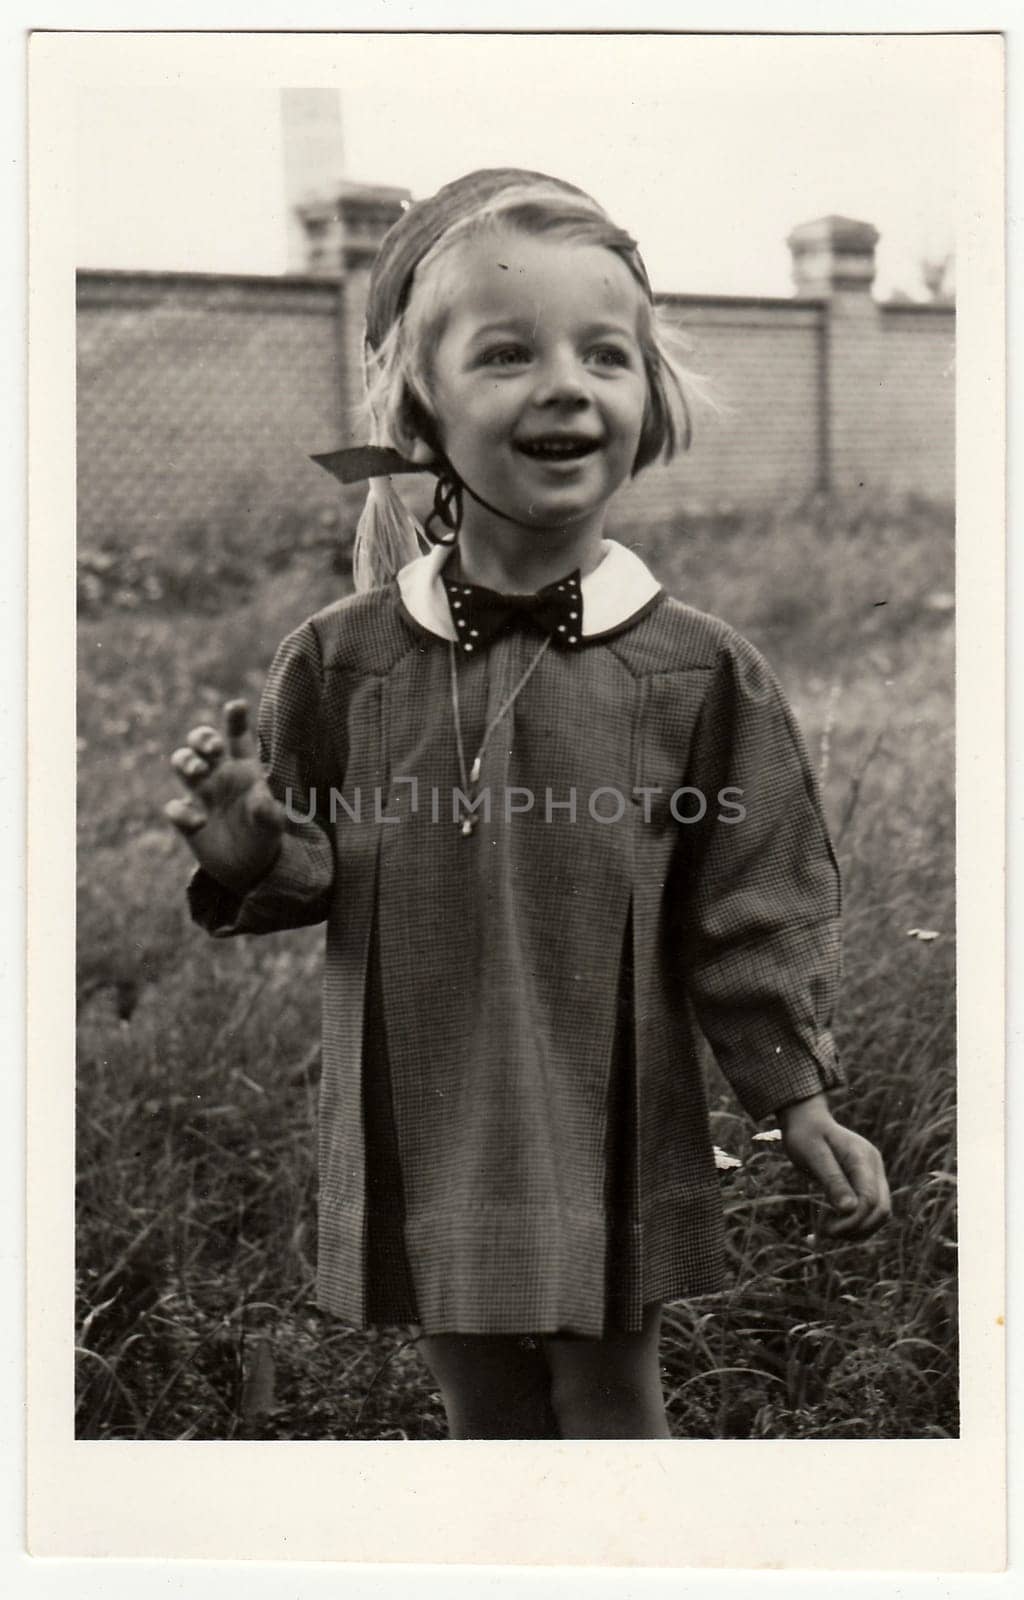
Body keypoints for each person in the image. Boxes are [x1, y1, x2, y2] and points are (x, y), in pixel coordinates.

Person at [165, 169, 891, 1440]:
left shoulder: (697, 669)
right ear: (421, 411)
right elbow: (311, 863)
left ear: (647, 403)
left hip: (602, 1101)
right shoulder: (340, 659)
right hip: (429, 1092)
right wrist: (251, 848)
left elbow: (750, 902)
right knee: (485, 1405)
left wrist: (797, 1095)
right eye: (507, 352)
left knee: (610, 1398)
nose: (565, 381)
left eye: (603, 353)